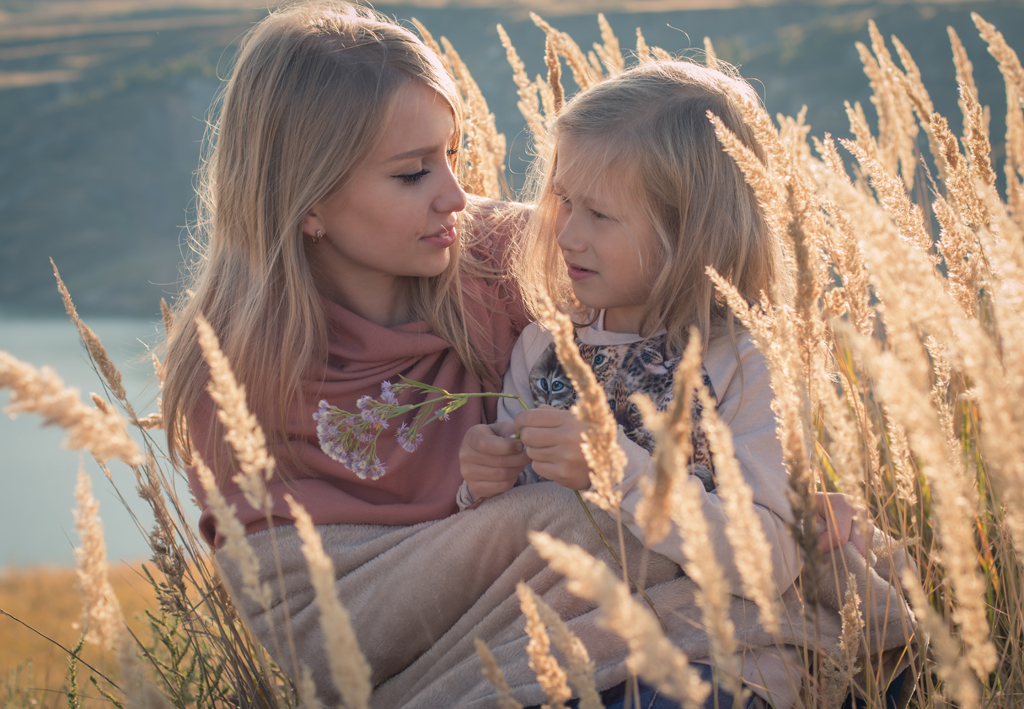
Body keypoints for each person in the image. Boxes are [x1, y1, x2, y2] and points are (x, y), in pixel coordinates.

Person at [162, 3, 906, 708]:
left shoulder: (503, 260)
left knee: (628, 529)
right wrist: (489, 499)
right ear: (308, 200)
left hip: (577, 576)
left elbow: (687, 328)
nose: (458, 195)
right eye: (413, 172)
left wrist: (770, 489)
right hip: (395, 601)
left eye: (452, 155)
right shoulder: (231, 367)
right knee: (563, 519)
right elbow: (299, 611)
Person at [457, 60, 894, 708]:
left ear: (690, 230)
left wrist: (615, 464)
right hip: (576, 651)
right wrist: (480, 484)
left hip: (711, 661)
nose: (567, 232)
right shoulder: (544, 349)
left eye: (600, 214)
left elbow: (769, 557)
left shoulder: (745, 364)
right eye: (564, 201)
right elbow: (517, 540)